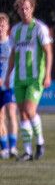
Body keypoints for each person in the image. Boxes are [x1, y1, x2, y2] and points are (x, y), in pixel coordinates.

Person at [3, 0, 53, 161]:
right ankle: (27, 151)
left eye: (27, 8)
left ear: (32, 8)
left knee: (30, 110)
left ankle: (39, 143)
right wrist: (9, 75)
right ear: (17, 10)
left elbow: (48, 52)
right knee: (22, 114)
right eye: (21, 8)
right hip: (19, 78)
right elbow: (12, 55)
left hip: (35, 78)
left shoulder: (39, 28)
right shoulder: (16, 30)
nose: (24, 11)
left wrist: (47, 74)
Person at [0, 12, 18, 159]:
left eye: (3, 24)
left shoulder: (12, 44)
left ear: (8, 27)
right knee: (0, 117)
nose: (0, 27)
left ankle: (13, 147)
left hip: (10, 84)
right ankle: (4, 148)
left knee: (11, 113)